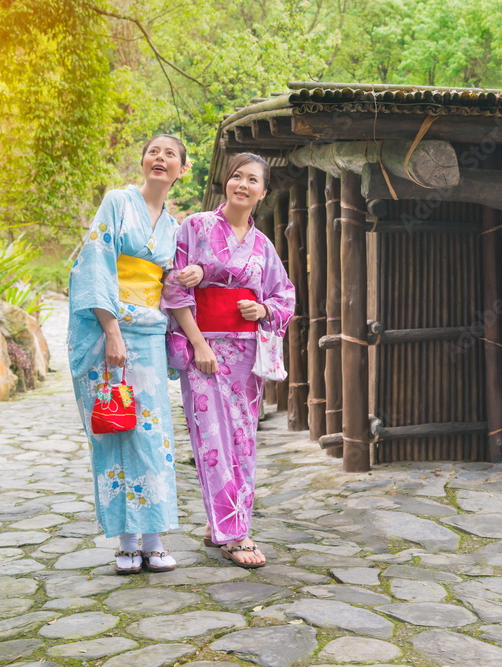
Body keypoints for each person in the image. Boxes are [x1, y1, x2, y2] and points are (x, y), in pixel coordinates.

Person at [67, 135, 203, 575]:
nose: (160, 158)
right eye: (153, 151)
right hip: (109, 329)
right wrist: (110, 330)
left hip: (147, 334)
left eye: (170, 155)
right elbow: (94, 262)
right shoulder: (117, 203)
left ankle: (155, 538)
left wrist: (191, 273)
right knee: (115, 428)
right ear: (143, 161)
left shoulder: (174, 227)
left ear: (182, 169)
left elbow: (173, 287)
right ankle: (127, 541)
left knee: (153, 434)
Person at [162, 152, 294, 568]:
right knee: (211, 440)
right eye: (236, 176)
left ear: (263, 192)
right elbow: (173, 288)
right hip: (204, 348)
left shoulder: (263, 245)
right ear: (226, 181)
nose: (242, 184)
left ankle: (220, 521)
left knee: (242, 441)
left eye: (252, 180)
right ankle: (235, 534)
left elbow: (284, 295)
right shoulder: (195, 226)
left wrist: (265, 311)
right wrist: (199, 344)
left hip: (245, 354)